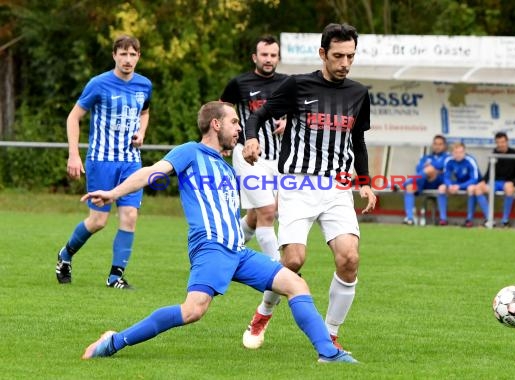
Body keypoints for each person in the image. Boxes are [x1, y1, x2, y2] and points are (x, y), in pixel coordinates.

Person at [80, 101, 356, 363]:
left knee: (296, 284)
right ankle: (114, 341)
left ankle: (328, 354)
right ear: (215, 124)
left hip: (238, 251)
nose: (239, 128)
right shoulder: (190, 152)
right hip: (211, 247)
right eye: (234, 122)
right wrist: (114, 193)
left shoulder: (225, 168)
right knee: (192, 311)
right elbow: (151, 172)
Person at [241, 23, 377, 351]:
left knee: (349, 258)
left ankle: (330, 336)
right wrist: (251, 139)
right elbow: (257, 117)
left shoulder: (358, 94)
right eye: (338, 56)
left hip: (336, 187)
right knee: (293, 261)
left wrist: (365, 183)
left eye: (351, 56)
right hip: (298, 185)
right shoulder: (297, 85)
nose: (345, 62)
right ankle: (263, 313)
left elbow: (357, 141)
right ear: (322, 54)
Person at [55, 35, 152, 289]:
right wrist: (74, 154)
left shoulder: (144, 85)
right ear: (114, 56)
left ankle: (115, 277)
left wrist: (141, 133)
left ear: (138, 57)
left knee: (129, 216)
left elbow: (145, 112)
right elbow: (73, 117)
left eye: (133, 55)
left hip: (131, 162)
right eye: (123, 54)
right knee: (98, 221)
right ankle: (65, 255)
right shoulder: (98, 84)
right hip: (101, 161)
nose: (128, 59)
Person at [220, 35, 288, 260]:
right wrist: (225, 140)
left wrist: (287, 121)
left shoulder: (287, 83)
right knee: (268, 211)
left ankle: (223, 251)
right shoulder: (240, 84)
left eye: (273, 55)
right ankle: (277, 268)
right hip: (248, 156)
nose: (268, 59)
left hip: (278, 158)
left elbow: (299, 112)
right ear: (254, 57)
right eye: (264, 55)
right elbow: (222, 110)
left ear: (278, 57)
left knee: (254, 216)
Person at [474, 132, 515, 227]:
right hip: (496, 183)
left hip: (510, 183)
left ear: (507, 141)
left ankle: (505, 220)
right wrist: (483, 181)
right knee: (478, 189)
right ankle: (489, 219)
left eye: (503, 142)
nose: (501, 145)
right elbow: (489, 171)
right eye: (498, 142)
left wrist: (513, 183)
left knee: (509, 189)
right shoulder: (494, 153)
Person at [402, 135, 450, 225]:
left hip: (440, 182)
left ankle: (443, 219)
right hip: (425, 182)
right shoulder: (426, 157)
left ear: (444, 146)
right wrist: (431, 168)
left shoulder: (448, 157)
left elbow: (442, 167)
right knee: (410, 187)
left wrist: (431, 168)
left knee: (430, 169)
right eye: (435, 144)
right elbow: (418, 168)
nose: (437, 146)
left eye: (440, 144)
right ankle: (409, 218)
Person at [437, 142, 481, 227]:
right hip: (456, 183)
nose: (458, 155)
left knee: (471, 189)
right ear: (452, 153)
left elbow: (474, 179)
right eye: (456, 152)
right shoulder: (449, 160)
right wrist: (450, 185)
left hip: (468, 183)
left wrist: (460, 186)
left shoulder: (470, 160)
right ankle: (443, 219)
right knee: (441, 188)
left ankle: (469, 219)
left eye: (460, 152)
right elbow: (446, 177)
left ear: (464, 152)